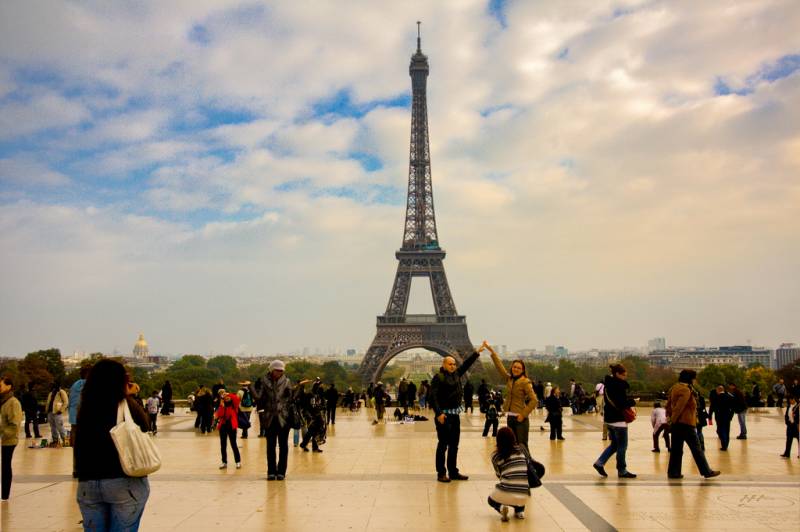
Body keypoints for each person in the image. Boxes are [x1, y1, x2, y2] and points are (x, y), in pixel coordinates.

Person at [75, 359, 151, 531]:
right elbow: (145, 426)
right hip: (122, 478)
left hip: (88, 481)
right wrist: (129, 396)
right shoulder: (125, 405)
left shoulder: (85, 406)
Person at [430, 348, 481, 482]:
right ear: (444, 365)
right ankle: (441, 473)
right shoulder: (438, 377)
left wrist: (476, 353)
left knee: (454, 444)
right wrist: (439, 413)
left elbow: (466, 364)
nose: (453, 366)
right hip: (444, 416)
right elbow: (433, 397)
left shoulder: (457, 374)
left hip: (455, 415)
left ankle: (453, 471)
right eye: (450, 364)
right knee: (443, 445)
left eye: (454, 364)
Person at [251, 360, 307, 480]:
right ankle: (271, 471)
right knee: (270, 446)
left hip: (284, 418)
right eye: (277, 370)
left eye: (281, 371)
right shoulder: (263, 381)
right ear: (271, 370)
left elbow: (292, 398)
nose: (280, 372)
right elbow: (259, 398)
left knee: (283, 446)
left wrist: (300, 387)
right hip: (270, 418)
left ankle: (281, 471)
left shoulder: (286, 381)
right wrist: (250, 387)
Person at [666, 369, 720, 479]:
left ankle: (673, 472)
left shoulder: (675, 387)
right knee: (697, 449)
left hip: (677, 424)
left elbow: (669, 405)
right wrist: (673, 420)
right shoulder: (685, 390)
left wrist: (672, 421)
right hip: (685, 423)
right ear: (690, 379)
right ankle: (706, 471)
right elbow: (679, 407)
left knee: (676, 450)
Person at [484, 341, 537, 450]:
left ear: (522, 370)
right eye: (514, 367)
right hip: (510, 417)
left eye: (518, 368)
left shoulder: (525, 382)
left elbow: (534, 400)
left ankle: (528, 466)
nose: (516, 369)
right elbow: (500, 367)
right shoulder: (510, 379)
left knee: (522, 447)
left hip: (520, 419)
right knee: (512, 447)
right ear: (511, 368)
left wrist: (523, 414)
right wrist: (492, 351)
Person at [593, 363, 637, 479]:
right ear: (617, 374)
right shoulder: (619, 386)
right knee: (622, 446)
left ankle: (599, 463)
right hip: (619, 421)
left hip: (609, 420)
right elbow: (622, 404)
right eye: (623, 375)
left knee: (614, 445)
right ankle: (622, 470)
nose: (625, 377)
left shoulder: (608, 385)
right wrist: (633, 402)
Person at [487, 427, 530, 522]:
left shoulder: (496, 456)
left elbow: (499, 475)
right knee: (519, 489)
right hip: (524, 493)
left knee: (490, 500)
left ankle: (502, 508)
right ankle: (520, 512)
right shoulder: (521, 450)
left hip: (506, 492)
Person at [1, 376, 23, 500]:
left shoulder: (13, 402)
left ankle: (5, 494)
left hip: (9, 439)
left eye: (1, 385)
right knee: (4, 465)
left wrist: (3, 435)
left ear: (9, 386)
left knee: (5, 465)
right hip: (4, 437)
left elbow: (15, 424)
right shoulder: (4, 401)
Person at [214, 389, 241, 469]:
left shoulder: (234, 405)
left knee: (233, 444)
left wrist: (228, 394)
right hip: (223, 426)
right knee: (223, 445)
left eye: (225, 394)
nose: (226, 397)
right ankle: (224, 462)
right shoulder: (221, 405)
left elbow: (236, 398)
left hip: (231, 426)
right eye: (222, 395)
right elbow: (220, 414)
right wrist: (222, 404)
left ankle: (238, 461)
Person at [708, 385, 734, 450]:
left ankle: (724, 444)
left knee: (720, 430)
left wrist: (710, 417)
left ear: (718, 390)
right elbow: (733, 408)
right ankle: (726, 445)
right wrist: (731, 416)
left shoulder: (715, 398)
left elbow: (711, 408)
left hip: (719, 416)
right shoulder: (729, 397)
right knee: (727, 431)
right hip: (727, 417)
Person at [45, 381, 69, 447]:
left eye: (53, 384)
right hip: (50, 412)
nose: (51, 386)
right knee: (53, 427)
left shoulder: (61, 392)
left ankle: (65, 440)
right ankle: (55, 440)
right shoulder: (51, 393)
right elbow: (48, 402)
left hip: (57, 412)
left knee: (60, 427)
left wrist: (61, 410)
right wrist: (46, 411)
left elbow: (66, 402)